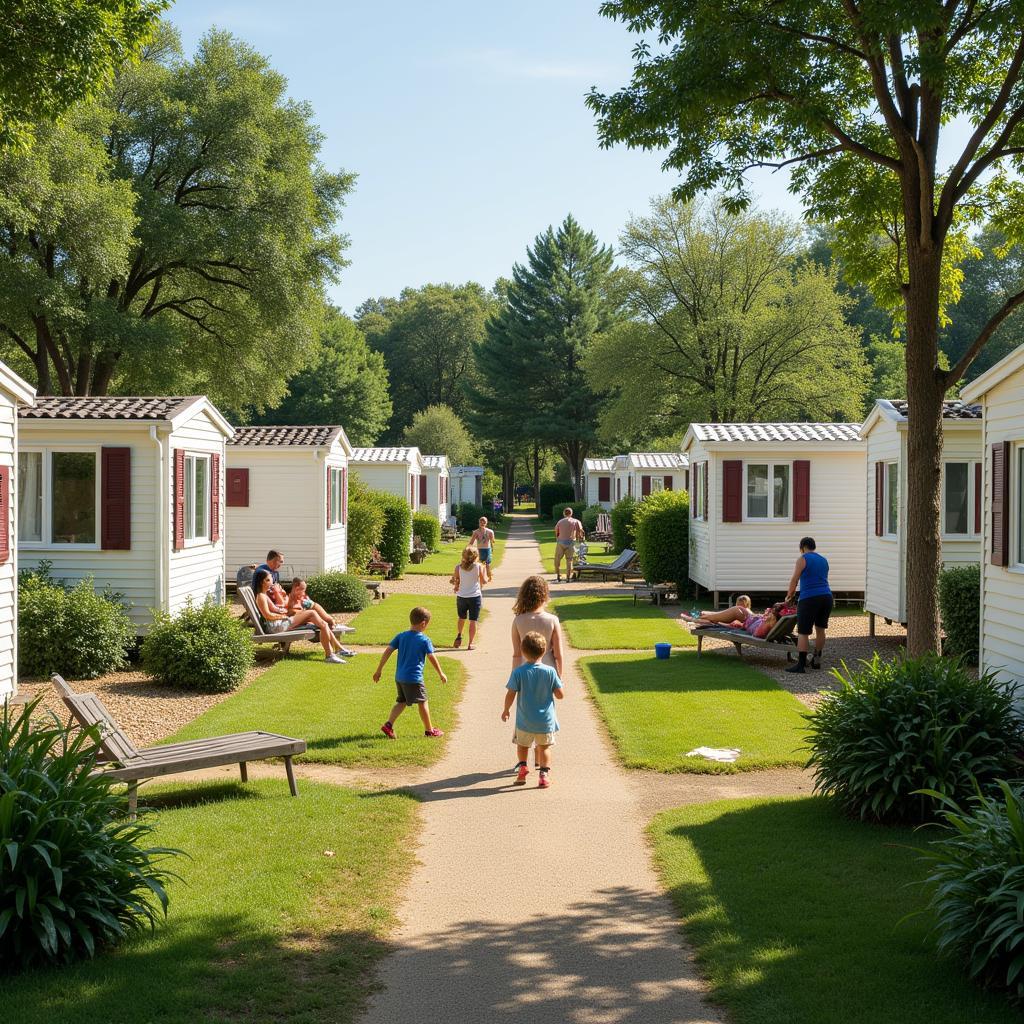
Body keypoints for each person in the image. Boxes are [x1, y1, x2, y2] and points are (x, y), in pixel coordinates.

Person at [502, 631, 564, 789]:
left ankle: (522, 768)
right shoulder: (550, 672)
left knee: (522, 746)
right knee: (544, 747)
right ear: (544, 651)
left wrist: (506, 709)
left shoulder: (518, 672)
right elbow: (560, 695)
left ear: (523, 651)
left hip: (524, 721)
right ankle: (543, 775)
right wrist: (557, 685)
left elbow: (511, 693)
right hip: (545, 721)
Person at [374, 606, 448, 738]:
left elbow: (388, 651)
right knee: (423, 701)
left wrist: (379, 670)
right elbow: (432, 657)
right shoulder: (424, 640)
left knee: (402, 701)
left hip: (400, 677)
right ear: (423, 623)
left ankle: (388, 725)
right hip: (414, 678)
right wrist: (441, 673)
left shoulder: (401, 636)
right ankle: (429, 730)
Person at [252, 569, 346, 663]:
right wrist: (282, 616)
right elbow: (268, 615)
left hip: (278, 624)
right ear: (263, 582)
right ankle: (331, 654)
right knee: (312, 614)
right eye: (269, 579)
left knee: (320, 623)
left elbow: (274, 609)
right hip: (276, 627)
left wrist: (281, 611)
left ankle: (332, 653)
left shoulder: (263, 595)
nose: (272, 580)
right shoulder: (261, 597)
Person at [784, 536, 833, 674]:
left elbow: (795, 579)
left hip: (810, 598)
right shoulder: (824, 560)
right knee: (820, 629)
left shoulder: (803, 559)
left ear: (803, 547)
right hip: (827, 597)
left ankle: (800, 664)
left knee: (803, 632)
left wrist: (789, 596)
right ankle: (816, 659)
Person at [287, 578, 356, 658]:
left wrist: (327, 619)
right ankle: (336, 650)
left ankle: (338, 649)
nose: (304, 592)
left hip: (305, 623)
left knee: (324, 624)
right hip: (294, 626)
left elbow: (313, 608)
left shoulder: (301, 599)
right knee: (323, 625)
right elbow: (292, 615)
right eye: (303, 590)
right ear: (296, 588)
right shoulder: (289, 600)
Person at [511, 575, 564, 678]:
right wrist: (560, 677)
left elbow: (517, 654)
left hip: (525, 670)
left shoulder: (518, 620)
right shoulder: (552, 620)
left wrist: (514, 678)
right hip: (548, 669)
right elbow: (558, 655)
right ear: (544, 595)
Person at [451, 546, 487, 649]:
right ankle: (470, 643)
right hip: (474, 596)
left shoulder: (458, 567)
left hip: (461, 596)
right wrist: (486, 573)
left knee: (461, 618)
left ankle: (459, 635)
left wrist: (456, 586)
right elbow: (484, 581)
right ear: (476, 556)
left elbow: (456, 581)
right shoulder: (478, 566)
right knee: (473, 620)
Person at [553, 507, 584, 582]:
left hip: (561, 542)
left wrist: (557, 538)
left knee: (557, 559)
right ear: (571, 513)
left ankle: (558, 575)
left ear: (564, 513)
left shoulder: (560, 521)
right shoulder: (576, 521)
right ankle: (567, 577)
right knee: (569, 560)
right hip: (571, 542)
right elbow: (581, 531)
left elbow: (556, 530)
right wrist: (580, 539)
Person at [680, 596, 754, 627]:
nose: (739, 606)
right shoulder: (746, 612)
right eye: (738, 604)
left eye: (741, 604)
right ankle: (696, 615)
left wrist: (720, 623)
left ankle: (693, 617)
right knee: (713, 615)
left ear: (746, 604)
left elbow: (737, 624)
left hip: (729, 621)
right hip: (730, 620)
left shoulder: (746, 612)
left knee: (712, 618)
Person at [471, 517, 496, 582]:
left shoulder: (490, 531)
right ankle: (482, 578)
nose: (482, 523)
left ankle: (489, 576)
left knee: (487, 564)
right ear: (479, 523)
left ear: (486, 523)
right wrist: (468, 549)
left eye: (484, 522)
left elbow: (493, 541)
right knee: (480, 565)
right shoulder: (476, 532)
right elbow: (471, 542)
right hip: (479, 550)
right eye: (481, 522)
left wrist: (491, 538)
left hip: (487, 549)